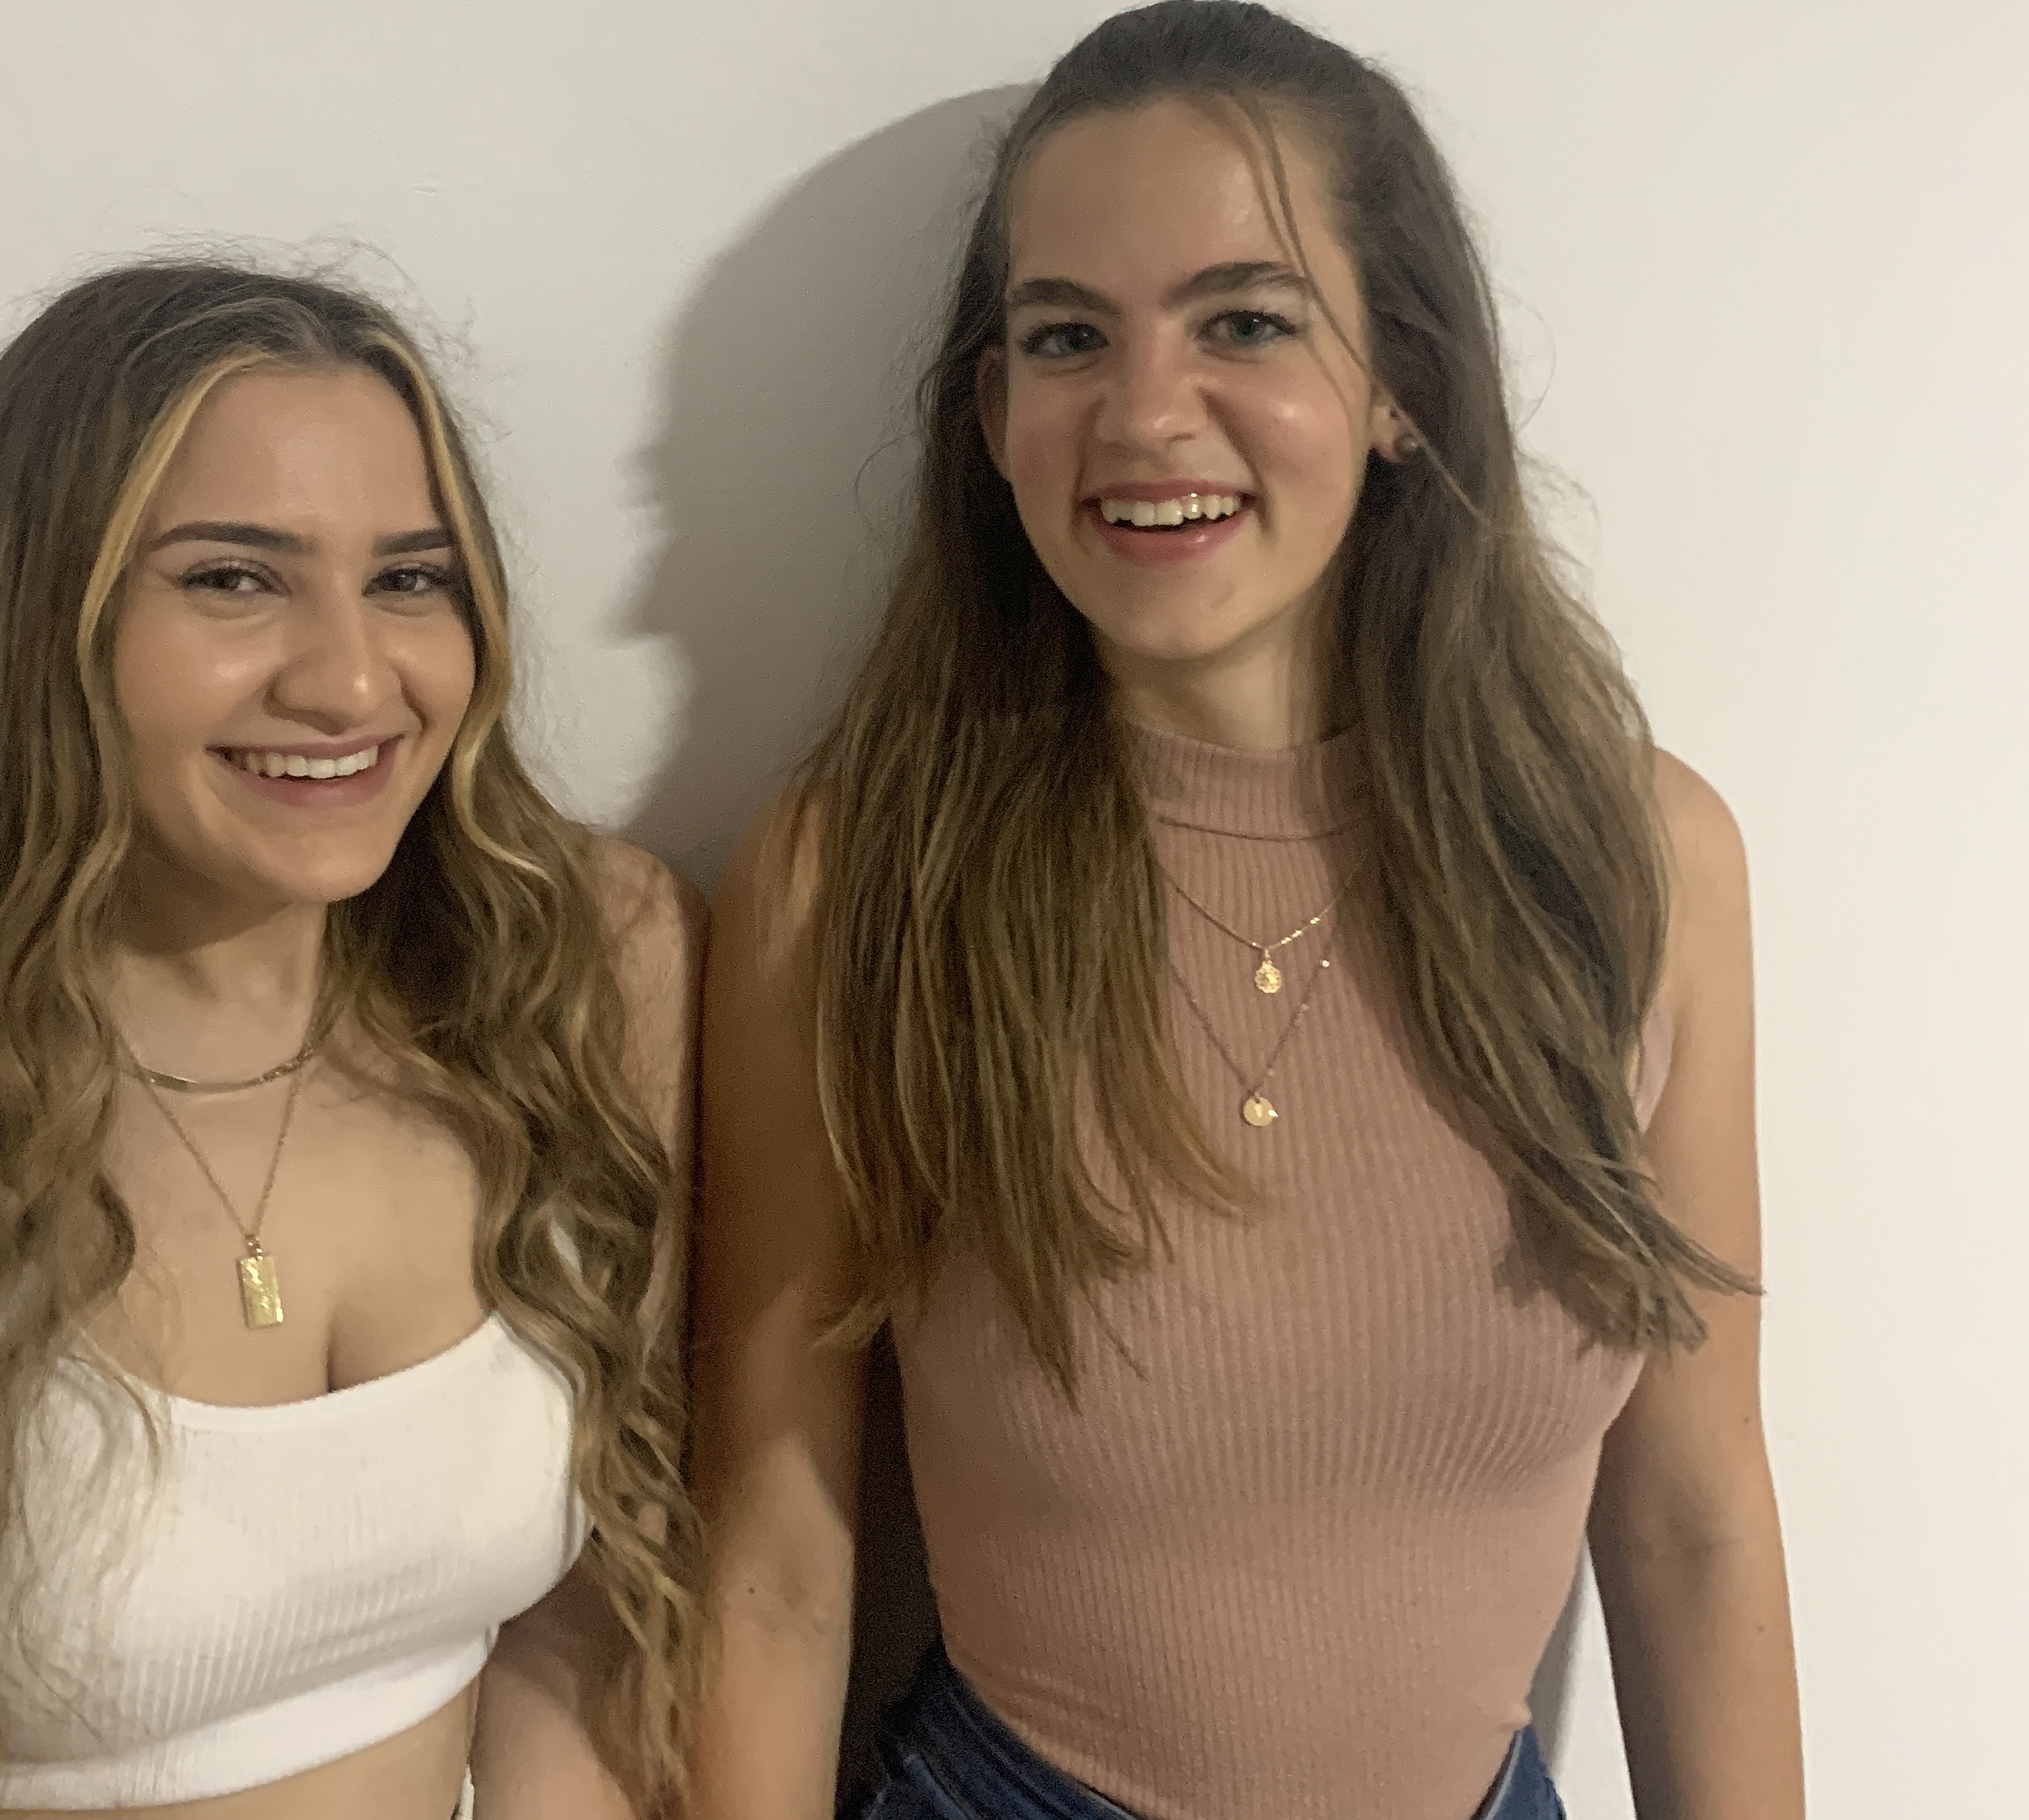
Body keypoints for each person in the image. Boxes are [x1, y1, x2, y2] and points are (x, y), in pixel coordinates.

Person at [689, 5, 1801, 1818]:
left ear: (1400, 381)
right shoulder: (853, 881)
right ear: (993, 414)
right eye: (1067, 336)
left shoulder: (1639, 862)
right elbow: (777, 1554)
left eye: (1247, 321)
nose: (1144, 414)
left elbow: (1694, 1515)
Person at [0, 262, 702, 1820]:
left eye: (409, 578)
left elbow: (591, 1621)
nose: (350, 679)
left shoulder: (578, 974)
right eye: (234, 578)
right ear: (48, 622)